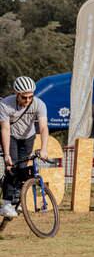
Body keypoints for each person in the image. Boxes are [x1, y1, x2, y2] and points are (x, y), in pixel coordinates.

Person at [1, 76, 49, 218]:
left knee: (23, 170)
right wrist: (6, 154)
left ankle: (18, 199)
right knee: (12, 168)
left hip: (28, 137)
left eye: (30, 97)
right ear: (16, 94)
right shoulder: (5, 104)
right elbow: (5, 129)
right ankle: (6, 204)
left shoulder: (39, 104)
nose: (27, 100)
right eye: (24, 97)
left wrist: (44, 148)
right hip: (11, 136)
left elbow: (43, 127)